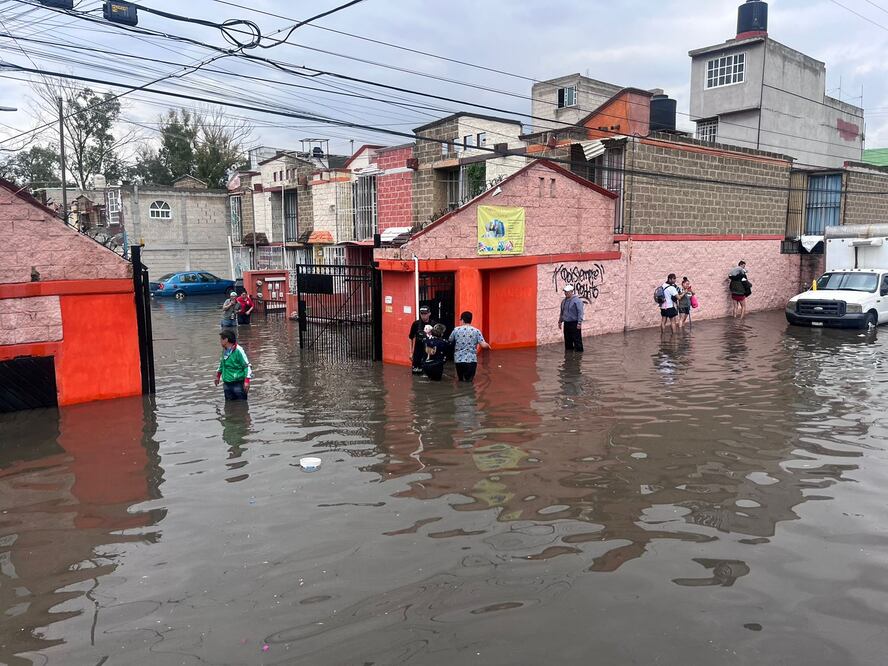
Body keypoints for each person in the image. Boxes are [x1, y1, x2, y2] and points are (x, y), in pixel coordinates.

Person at [448, 311, 490, 383]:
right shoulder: (476, 331)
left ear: (462, 320)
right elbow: (483, 345)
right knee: (469, 382)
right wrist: (488, 345)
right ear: (471, 320)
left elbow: (450, 340)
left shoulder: (456, 330)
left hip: (459, 360)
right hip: (471, 360)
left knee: (460, 381)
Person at [215, 329, 252, 400]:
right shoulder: (225, 350)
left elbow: (247, 366)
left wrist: (247, 381)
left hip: (238, 384)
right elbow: (222, 364)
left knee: (242, 406)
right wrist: (218, 376)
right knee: (228, 406)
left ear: (226, 340)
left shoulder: (238, 350)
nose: (220, 341)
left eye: (221, 339)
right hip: (227, 384)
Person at [408, 306, 436, 374]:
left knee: (428, 374)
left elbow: (437, 340)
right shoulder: (416, 324)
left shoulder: (434, 324)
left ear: (429, 313)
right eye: (422, 314)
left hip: (429, 352)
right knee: (416, 374)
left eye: (425, 314)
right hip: (417, 352)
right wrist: (411, 352)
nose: (423, 316)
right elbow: (410, 337)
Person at [558, 284, 585, 352]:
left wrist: (579, 323)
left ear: (571, 291)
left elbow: (580, 312)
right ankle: (569, 356)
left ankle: (578, 356)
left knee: (577, 340)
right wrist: (560, 321)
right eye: (565, 291)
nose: (565, 293)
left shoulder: (577, 301)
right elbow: (562, 312)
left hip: (575, 323)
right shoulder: (563, 301)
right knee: (567, 341)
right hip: (566, 323)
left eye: (567, 292)